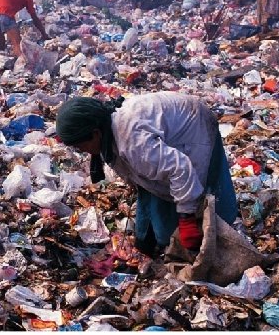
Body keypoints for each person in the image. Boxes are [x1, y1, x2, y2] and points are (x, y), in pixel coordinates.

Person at [55, 93, 238, 255]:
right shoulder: (108, 132)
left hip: (194, 126)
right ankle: (152, 242)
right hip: (169, 130)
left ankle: (217, 239)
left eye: (80, 146)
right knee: (154, 187)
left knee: (204, 195)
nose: (82, 151)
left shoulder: (134, 142)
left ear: (95, 134)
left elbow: (181, 168)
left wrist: (186, 217)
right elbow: (139, 174)